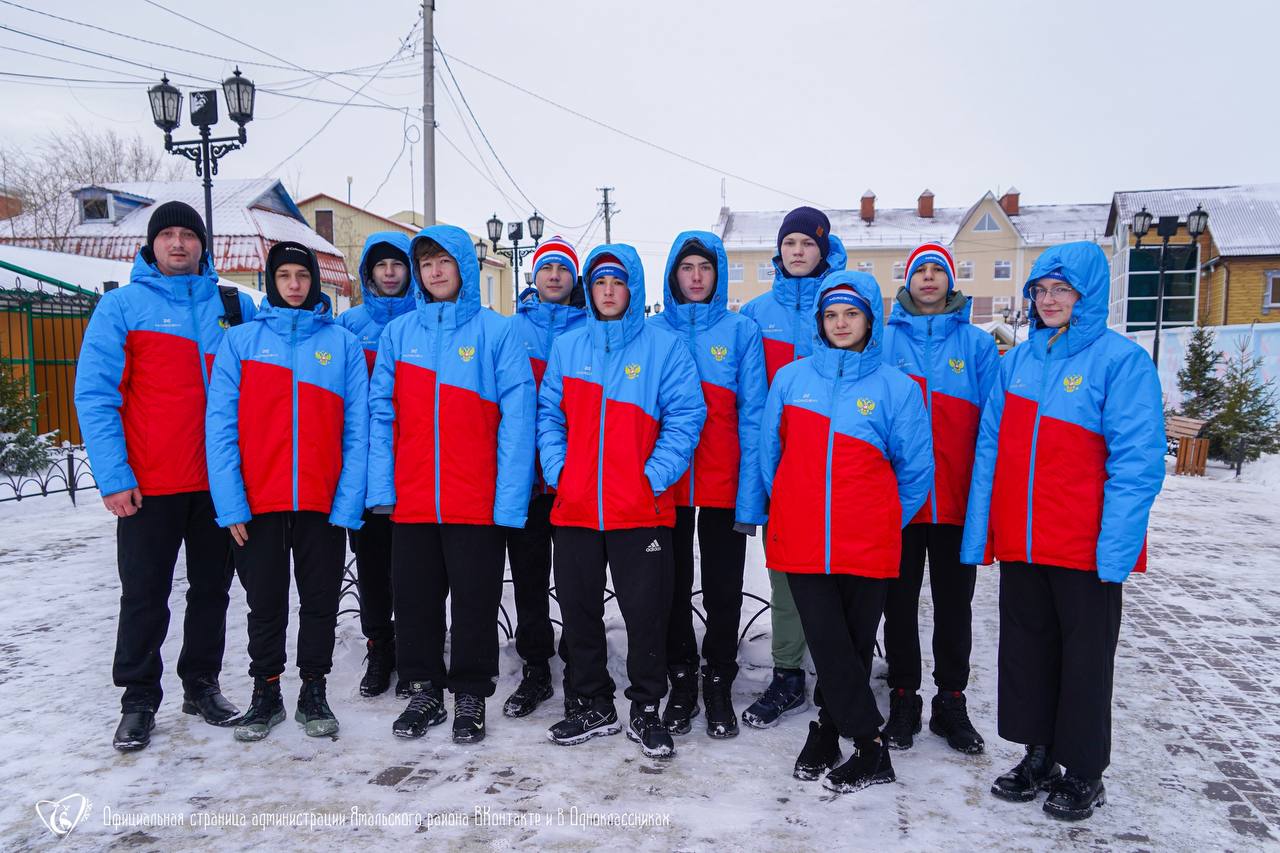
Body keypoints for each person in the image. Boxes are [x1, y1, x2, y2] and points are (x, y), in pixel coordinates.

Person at [961, 241, 1165, 821]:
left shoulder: (1120, 362)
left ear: (1088, 295)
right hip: (1025, 544)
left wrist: (1117, 546)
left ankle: (1084, 770)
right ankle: (1039, 754)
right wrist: (982, 534)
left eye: (1062, 291)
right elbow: (990, 453)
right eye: (1041, 291)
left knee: (1084, 661)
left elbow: (1138, 461)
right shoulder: (1017, 363)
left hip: (1085, 547)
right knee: (1026, 653)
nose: (1049, 301)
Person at [75, 200, 257, 751]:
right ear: (151, 245)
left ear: (204, 245)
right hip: (148, 484)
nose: (179, 244)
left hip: (217, 484)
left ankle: (200, 683)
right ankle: (137, 699)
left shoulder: (236, 306)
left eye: (189, 235)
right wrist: (113, 476)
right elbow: (96, 395)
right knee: (144, 594)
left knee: (212, 591)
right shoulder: (121, 307)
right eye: (168, 235)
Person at [760, 271, 932, 793]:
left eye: (851, 314)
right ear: (819, 321)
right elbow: (772, 457)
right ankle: (872, 747)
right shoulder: (791, 380)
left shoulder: (897, 388)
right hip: (803, 538)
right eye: (831, 315)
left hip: (868, 541)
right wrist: (794, 506)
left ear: (869, 321)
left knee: (854, 646)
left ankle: (826, 730)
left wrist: (879, 517)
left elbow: (915, 470)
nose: (840, 323)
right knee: (830, 642)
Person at [366, 224, 535, 745]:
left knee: (474, 599)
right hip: (414, 497)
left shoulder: (497, 331)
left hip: (475, 497)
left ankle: (469, 693)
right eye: (427, 264)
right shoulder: (399, 335)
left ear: (464, 266)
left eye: (444, 262)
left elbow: (518, 416)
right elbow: (380, 413)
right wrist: (382, 489)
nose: (435, 272)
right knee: (414, 598)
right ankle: (424, 690)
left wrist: (508, 499)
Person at [537, 244, 705, 758]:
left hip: (641, 510)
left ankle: (646, 705)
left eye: (618, 282)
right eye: (600, 282)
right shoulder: (569, 346)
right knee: (579, 608)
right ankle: (592, 703)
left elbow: (685, 417)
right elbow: (550, 415)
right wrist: (561, 471)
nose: (608, 291)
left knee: (645, 612)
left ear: (633, 287)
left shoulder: (664, 347)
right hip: (578, 508)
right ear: (590, 288)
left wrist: (652, 478)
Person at [205, 242, 368, 741]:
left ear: (314, 281)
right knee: (265, 602)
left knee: (319, 600)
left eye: (302, 275)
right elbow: (221, 428)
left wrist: (347, 501)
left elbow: (357, 430)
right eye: (284, 276)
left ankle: (313, 691)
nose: (294, 284)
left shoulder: (341, 345)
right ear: (271, 281)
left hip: (322, 503)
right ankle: (266, 692)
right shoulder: (242, 343)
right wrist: (231, 501)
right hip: (258, 502)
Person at [880, 242, 998, 754]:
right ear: (908, 281)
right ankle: (904, 696)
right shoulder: (882, 343)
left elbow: (994, 426)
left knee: (955, 606)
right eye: (920, 271)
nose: (929, 278)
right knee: (898, 603)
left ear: (950, 281)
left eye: (937, 271)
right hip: (899, 505)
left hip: (955, 501)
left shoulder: (977, 346)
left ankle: (951, 701)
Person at [649, 230, 767, 738]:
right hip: (667, 485)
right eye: (686, 268)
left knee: (723, 589)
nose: (696, 277)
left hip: (723, 484)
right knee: (668, 585)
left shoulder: (741, 332)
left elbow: (755, 414)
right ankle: (681, 676)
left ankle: (718, 676)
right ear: (672, 275)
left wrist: (750, 492)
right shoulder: (652, 331)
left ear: (717, 275)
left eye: (705, 268)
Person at [739, 206, 847, 729]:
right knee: (784, 578)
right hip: (784, 471)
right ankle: (787, 675)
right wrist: (757, 482)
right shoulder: (757, 315)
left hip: (844, 471)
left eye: (808, 242)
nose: (799, 251)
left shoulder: (845, 307)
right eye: (790, 243)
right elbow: (752, 405)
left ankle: (837, 674)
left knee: (840, 581)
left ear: (824, 248)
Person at [502, 236, 586, 718]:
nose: (554, 275)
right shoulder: (512, 331)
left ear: (575, 279)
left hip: (580, 481)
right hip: (528, 480)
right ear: (534, 276)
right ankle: (536, 666)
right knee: (530, 579)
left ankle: (579, 661)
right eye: (546, 267)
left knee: (578, 580)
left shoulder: (594, 327)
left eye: (562, 268)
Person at [337, 231, 416, 698]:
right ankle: (379, 645)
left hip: (415, 466)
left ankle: (414, 645)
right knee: (371, 563)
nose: (389, 272)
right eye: (380, 265)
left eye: (397, 264)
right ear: (368, 273)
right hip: (363, 468)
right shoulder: (348, 325)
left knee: (415, 566)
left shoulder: (424, 322)